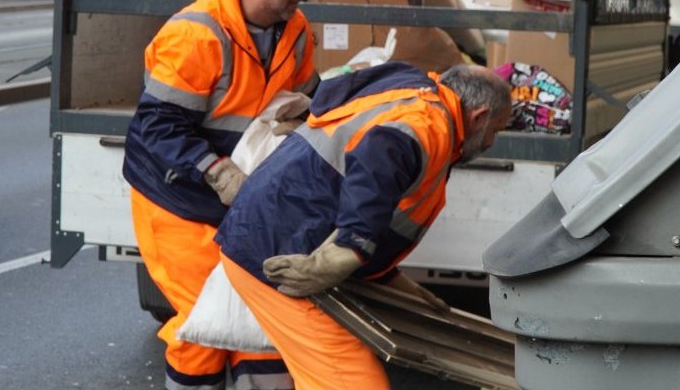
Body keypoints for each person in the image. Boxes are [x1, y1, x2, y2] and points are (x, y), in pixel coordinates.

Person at [215, 62, 512, 390]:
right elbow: (377, 164)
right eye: (495, 131)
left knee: (325, 377)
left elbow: (379, 199)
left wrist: (391, 282)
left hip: (275, 239)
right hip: (282, 257)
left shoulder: (415, 91)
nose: (491, 142)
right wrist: (349, 249)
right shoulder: (428, 124)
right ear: (479, 117)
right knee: (354, 382)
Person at [122, 0, 320, 390]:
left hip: (243, 202)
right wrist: (217, 169)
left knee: (257, 324)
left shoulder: (297, 32)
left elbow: (307, 97)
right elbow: (156, 128)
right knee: (204, 326)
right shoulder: (196, 34)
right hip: (176, 202)